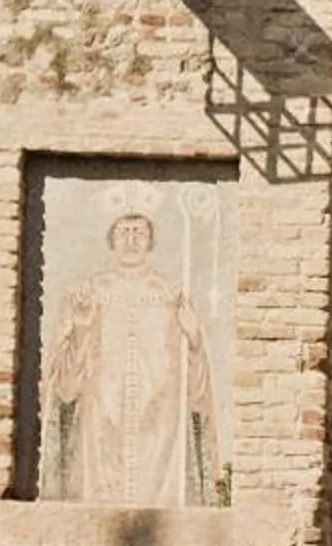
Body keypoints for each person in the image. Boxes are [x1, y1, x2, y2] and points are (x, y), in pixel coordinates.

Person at [41, 209, 222, 505]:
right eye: (123, 232)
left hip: (160, 422)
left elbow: (197, 384)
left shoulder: (171, 295)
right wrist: (82, 331)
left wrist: (193, 339)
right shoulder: (88, 292)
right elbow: (65, 386)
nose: (131, 240)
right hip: (101, 415)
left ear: (151, 241)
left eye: (139, 233)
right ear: (111, 240)